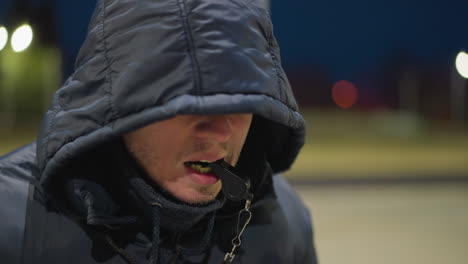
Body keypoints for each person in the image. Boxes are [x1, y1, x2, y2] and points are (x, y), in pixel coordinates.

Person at [0, 0, 318, 263]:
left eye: (241, 100)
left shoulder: (281, 221)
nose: (221, 131)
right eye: (187, 103)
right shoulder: (13, 221)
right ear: (125, 103)